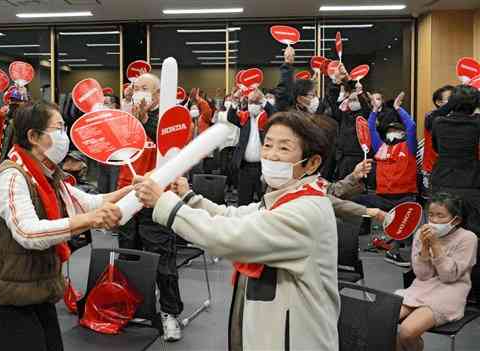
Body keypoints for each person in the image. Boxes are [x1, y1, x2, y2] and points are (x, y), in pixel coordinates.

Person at [136, 110, 341, 351]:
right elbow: (235, 217)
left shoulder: (306, 211)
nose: (271, 155)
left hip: (294, 339)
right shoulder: (284, 198)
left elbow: (229, 236)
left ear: (313, 162)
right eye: (267, 145)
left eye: (284, 149)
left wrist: (164, 203)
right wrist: (188, 197)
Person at [0, 101, 127, 351]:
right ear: (33, 136)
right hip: (7, 298)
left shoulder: (46, 174)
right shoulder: (12, 177)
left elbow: (90, 202)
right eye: (58, 129)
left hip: (37, 291)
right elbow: (28, 232)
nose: (63, 136)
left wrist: (136, 191)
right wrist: (90, 220)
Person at [118, 73, 185, 341]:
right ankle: (135, 305)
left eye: (145, 88)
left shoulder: (168, 119)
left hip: (157, 196)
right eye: (136, 88)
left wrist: (145, 121)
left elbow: (170, 149)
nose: (139, 92)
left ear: (158, 94)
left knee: (162, 260)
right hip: (127, 195)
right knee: (128, 255)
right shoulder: (126, 118)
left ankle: (170, 313)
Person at [395, 192, 478, 351]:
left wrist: (436, 245)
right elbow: (423, 275)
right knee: (383, 319)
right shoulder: (421, 233)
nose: (434, 221)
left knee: (406, 332)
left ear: (456, 220)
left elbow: (449, 276)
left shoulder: (468, 238)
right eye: (431, 215)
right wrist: (425, 248)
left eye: (441, 216)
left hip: (450, 291)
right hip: (421, 288)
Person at [354, 92, 417, 267]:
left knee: (403, 222)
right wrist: (374, 111)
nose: (393, 133)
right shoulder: (380, 147)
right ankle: (349, 242)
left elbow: (411, 126)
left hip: (405, 196)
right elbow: (371, 129)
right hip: (382, 196)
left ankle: (394, 251)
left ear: (403, 133)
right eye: (390, 130)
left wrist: (398, 108)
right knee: (351, 201)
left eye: (397, 130)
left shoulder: (408, 146)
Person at [431, 85, 480, 236]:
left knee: (442, 229)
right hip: (470, 181)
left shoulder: (438, 122)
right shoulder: (477, 123)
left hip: (442, 179)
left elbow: (436, 148)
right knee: (473, 231)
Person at [228, 88, 275, 205]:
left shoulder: (268, 118)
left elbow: (276, 113)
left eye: (256, 102)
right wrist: (235, 99)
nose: (252, 105)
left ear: (261, 104)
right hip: (245, 168)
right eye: (250, 102)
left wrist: (262, 99)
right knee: (243, 201)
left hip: (263, 168)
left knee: (264, 202)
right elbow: (230, 117)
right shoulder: (245, 117)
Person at [421, 85, 454, 194]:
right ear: (439, 102)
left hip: (452, 171)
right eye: (451, 98)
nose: (455, 102)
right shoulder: (431, 116)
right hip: (433, 170)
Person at [97, 94, 121, 194]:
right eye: (102, 104)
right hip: (101, 159)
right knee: (102, 189)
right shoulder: (98, 120)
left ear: (115, 105)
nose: (103, 106)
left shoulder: (121, 119)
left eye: (106, 104)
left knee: (113, 189)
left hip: (115, 160)